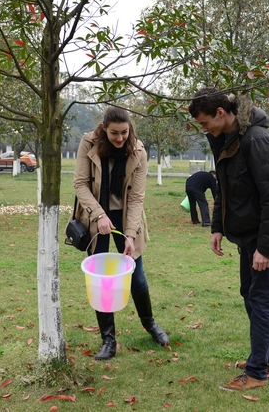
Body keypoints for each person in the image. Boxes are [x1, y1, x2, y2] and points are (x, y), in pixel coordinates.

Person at [187, 88, 269, 392]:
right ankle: (268, 360)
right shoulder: (226, 139)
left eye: (205, 122)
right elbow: (224, 188)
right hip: (246, 234)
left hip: (262, 235)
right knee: (250, 293)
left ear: (221, 113)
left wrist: (266, 247)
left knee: (261, 297)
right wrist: (217, 227)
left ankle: (257, 372)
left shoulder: (256, 140)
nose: (204, 129)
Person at [73, 106, 169, 360]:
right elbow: (80, 184)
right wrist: (99, 215)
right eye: (114, 133)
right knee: (102, 279)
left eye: (124, 132)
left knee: (137, 276)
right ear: (104, 128)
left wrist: (130, 234)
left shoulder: (138, 151)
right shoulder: (88, 143)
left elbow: (136, 197)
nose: (120, 138)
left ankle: (150, 324)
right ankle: (109, 340)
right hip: (96, 218)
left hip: (127, 217)